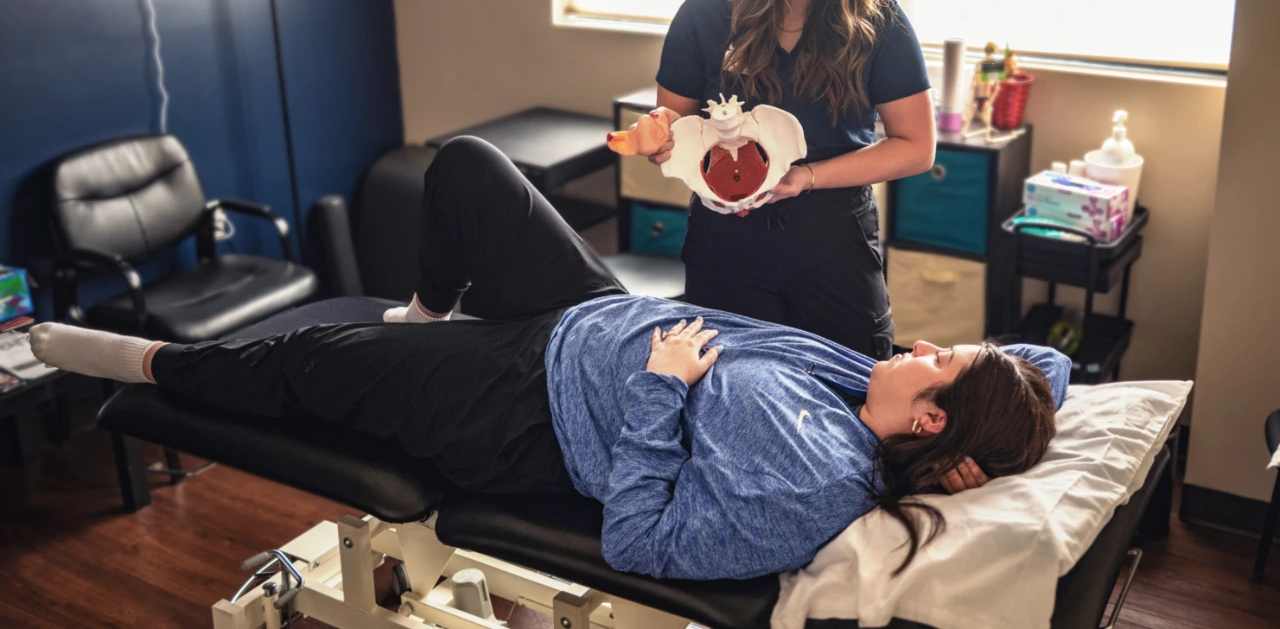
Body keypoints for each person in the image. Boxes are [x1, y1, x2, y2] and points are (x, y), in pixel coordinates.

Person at [31, 138, 1065, 582]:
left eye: (940, 361)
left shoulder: (810, 477)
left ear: (928, 420)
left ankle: (151, 364)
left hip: (527, 412)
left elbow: (641, 539)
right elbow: (1028, 370)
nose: (923, 344)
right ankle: (428, 313)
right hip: (582, 321)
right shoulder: (873, 385)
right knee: (470, 170)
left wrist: (663, 393)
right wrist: (1017, 401)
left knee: (307, 356)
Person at [649, 0, 936, 359]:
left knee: (853, 397)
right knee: (730, 398)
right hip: (726, 245)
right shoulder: (703, 16)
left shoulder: (880, 24)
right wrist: (657, 140)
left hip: (835, 244)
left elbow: (916, 147)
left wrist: (807, 176)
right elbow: (672, 129)